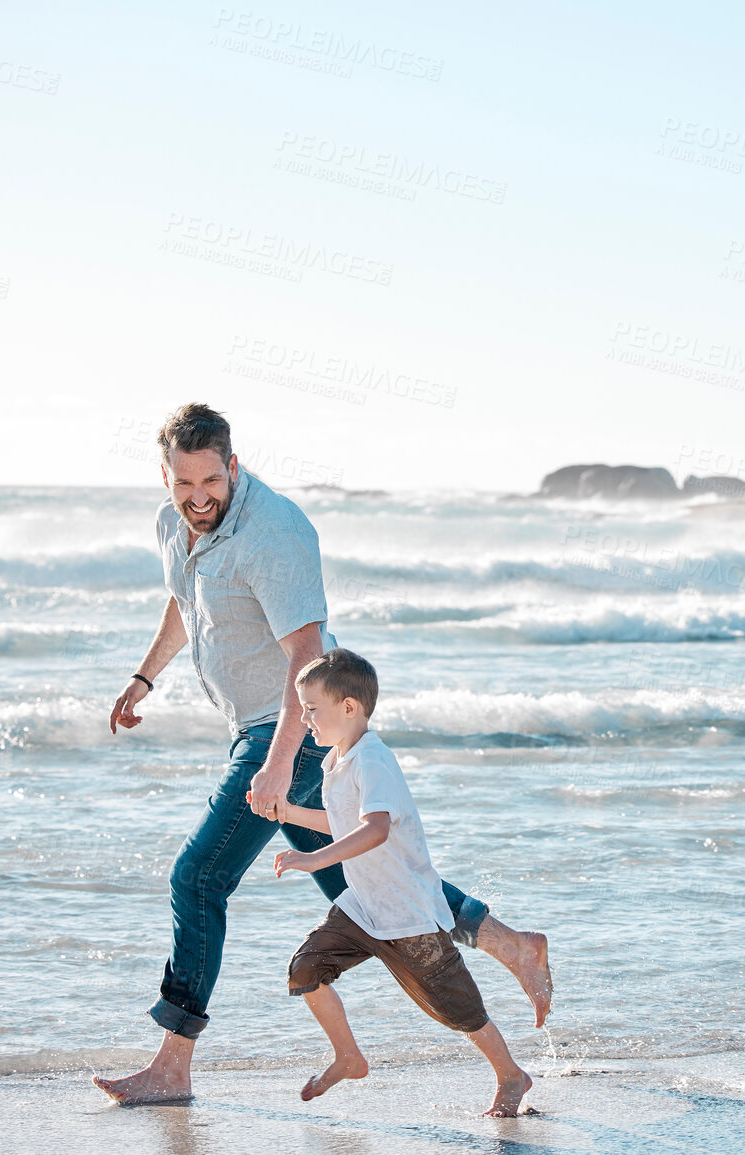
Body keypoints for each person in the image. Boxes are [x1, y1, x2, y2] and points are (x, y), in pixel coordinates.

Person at [95, 403, 550, 1106]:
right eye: (183, 484)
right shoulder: (175, 523)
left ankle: (173, 1063)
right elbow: (185, 604)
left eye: (211, 481)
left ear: (233, 466)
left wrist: (278, 762)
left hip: (286, 729)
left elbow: (306, 657)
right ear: (165, 476)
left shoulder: (274, 533)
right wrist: (144, 674)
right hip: (259, 732)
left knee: (198, 879)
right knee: (370, 890)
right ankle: (508, 944)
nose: (198, 497)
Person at [268, 648, 531, 1116]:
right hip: (363, 907)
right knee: (305, 970)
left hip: (408, 914)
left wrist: (312, 860)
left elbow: (375, 829)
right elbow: (342, 818)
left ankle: (511, 1074)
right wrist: (287, 813)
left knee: (460, 1009)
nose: (304, 719)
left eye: (312, 709)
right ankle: (348, 1057)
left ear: (349, 707)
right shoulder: (339, 760)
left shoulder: (372, 760)